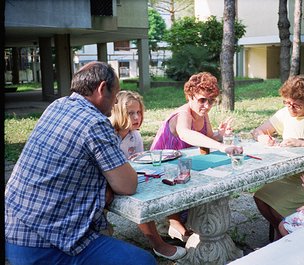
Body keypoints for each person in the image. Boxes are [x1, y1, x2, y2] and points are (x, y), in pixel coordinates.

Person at [5, 61, 157, 265]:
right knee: (143, 261)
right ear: (102, 88)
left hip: (13, 226)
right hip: (44, 243)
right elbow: (127, 185)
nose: (114, 104)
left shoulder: (57, 105)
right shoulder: (95, 121)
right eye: (115, 95)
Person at [150, 72, 243, 241]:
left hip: (183, 163)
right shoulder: (183, 114)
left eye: (211, 101)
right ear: (190, 96)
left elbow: (207, 139)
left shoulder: (203, 114)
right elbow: (185, 134)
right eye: (202, 100)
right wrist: (222, 147)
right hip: (161, 166)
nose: (207, 106)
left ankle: (192, 219)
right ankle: (173, 222)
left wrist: (220, 135)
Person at [251, 75, 304, 240]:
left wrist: (303, 144)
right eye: (287, 103)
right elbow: (257, 131)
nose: (291, 109)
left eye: (297, 105)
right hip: (289, 175)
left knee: (277, 206)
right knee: (260, 197)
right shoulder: (284, 113)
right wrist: (262, 137)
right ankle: (283, 233)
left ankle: (291, 236)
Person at [109, 90, 186, 260]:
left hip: (127, 178)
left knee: (161, 180)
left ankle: (172, 222)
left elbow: (138, 163)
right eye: (131, 113)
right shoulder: (108, 134)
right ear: (118, 112)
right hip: (107, 181)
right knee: (139, 197)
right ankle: (158, 244)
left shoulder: (134, 136)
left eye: (139, 112)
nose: (136, 117)